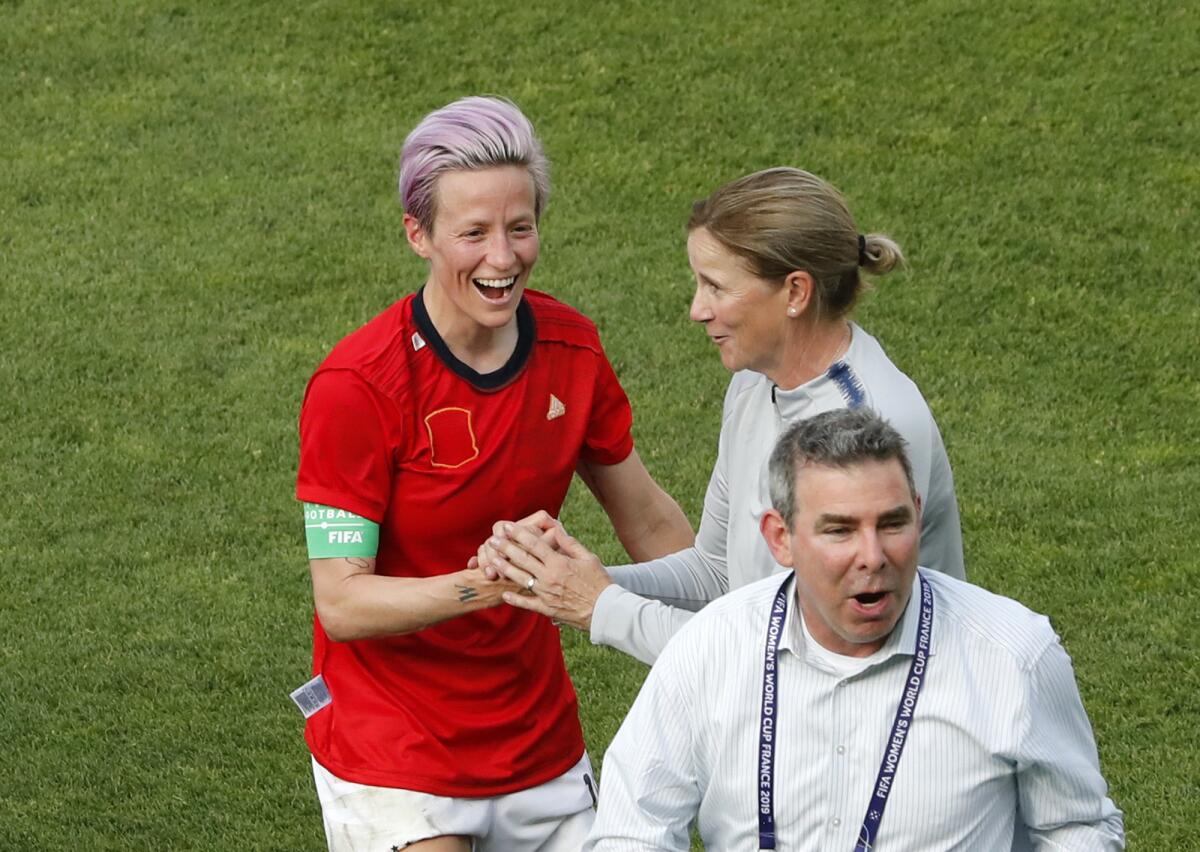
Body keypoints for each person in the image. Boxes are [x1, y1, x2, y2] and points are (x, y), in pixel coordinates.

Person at [293, 95, 693, 852]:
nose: (502, 258)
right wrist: (497, 584)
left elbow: (647, 520)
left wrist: (740, 633)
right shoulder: (358, 386)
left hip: (533, 737)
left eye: (520, 227)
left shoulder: (571, 351)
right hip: (394, 742)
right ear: (419, 234)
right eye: (473, 233)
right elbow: (341, 602)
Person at [582, 409, 1124, 851]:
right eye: (840, 530)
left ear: (917, 513)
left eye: (892, 524)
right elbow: (633, 830)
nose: (874, 556)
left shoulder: (1015, 656)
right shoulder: (709, 649)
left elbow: (1078, 828)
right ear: (780, 537)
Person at [484, 167, 964, 665]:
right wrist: (576, 576)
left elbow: (792, 661)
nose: (697, 309)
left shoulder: (868, 436)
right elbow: (717, 573)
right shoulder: (756, 383)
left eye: (716, 287)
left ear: (796, 293)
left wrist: (600, 606)